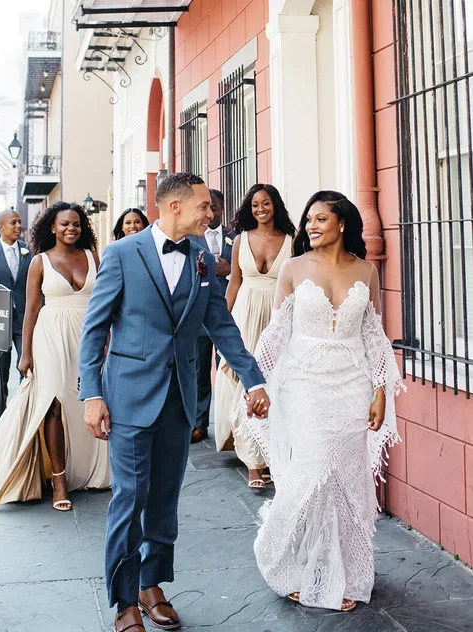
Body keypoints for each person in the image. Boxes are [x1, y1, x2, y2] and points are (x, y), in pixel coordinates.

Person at [78, 173, 270, 632]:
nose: (212, 213)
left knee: (164, 499)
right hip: (128, 395)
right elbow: (95, 327)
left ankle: (152, 585)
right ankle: (125, 600)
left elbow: (221, 325)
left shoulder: (204, 256)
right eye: (204, 205)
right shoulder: (122, 254)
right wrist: (92, 393)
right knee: (130, 497)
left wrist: (253, 379)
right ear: (174, 207)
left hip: (179, 399)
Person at [240, 191, 401, 613]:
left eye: (321, 219)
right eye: (309, 219)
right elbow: (277, 332)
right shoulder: (292, 268)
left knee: (344, 482)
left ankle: (340, 574)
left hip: (353, 386)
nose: (311, 226)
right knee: (310, 474)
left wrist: (381, 390)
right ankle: (279, 558)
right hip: (304, 384)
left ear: (342, 224)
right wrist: (256, 382)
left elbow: (374, 337)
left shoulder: (366, 271)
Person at [0, 202, 110, 510]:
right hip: (50, 335)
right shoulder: (39, 262)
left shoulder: (94, 257)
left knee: (86, 398)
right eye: (65, 224)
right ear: (52, 228)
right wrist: (25, 353)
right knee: (53, 403)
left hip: (88, 335)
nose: (71, 228)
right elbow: (31, 309)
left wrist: (107, 340)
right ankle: (59, 480)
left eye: (77, 224)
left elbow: (106, 303)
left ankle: (89, 468)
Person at [212, 184, 293, 487]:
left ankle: (269, 452)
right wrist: (223, 322)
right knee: (242, 383)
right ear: (250, 208)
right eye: (256, 204)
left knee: (273, 383)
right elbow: (234, 282)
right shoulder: (241, 240)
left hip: (277, 316)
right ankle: (252, 463)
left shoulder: (291, 241)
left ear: (276, 206)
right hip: (244, 313)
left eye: (267, 203)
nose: (261, 209)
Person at [192, 189, 234, 443]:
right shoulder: (192, 237)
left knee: (226, 367)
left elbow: (241, 270)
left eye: (216, 207)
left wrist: (228, 269)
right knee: (198, 368)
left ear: (221, 208)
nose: (212, 212)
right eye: (208, 207)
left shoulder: (235, 236)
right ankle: (199, 423)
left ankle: (227, 422)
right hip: (199, 310)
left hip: (228, 308)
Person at [0, 209, 31, 392]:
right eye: (14, 222)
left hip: (24, 320)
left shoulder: (30, 251)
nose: (19, 226)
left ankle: (23, 411)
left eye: (19, 222)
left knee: (27, 368)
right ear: (1, 227)